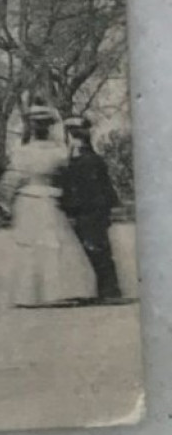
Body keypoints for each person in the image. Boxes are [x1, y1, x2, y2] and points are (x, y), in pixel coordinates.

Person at [5, 104, 95, 308]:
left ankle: (28, 293)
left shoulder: (22, 152)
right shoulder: (59, 152)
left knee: (30, 245)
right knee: (55, 243)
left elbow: (14, 178)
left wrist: (5, 200)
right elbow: (65, 176)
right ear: (48, 128)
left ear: (32, 128)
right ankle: (60, 290)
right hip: (49, 198)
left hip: (28, 198)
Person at [57, 116, 122, 303]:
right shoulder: (87, 159)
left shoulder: (85, 160)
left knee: (96, 248)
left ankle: (109, 290)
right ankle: (107, 289)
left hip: (88, 210)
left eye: (73, 133)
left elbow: (95, 187)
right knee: (97, 248)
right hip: (90, 209)